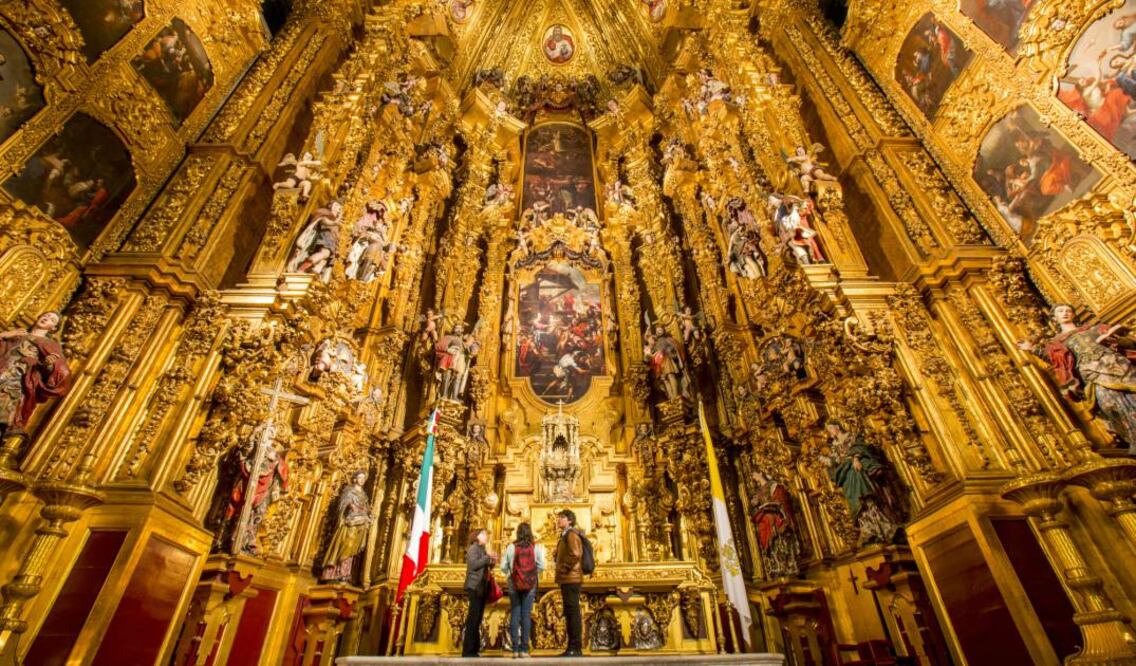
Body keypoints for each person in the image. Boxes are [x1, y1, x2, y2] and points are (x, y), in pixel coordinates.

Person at [500, 522, 546, 658]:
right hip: (530, 584)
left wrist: (511, 574)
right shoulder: (536, 547)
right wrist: (532, 574)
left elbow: (503, 566)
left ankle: (514, 649)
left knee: (515, 613)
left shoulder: (511, 547)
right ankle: (524, 650)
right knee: (526, 615)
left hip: (514, 583)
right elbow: (542, 565)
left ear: (517, 533)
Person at [463, 528, 497, 658]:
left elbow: (484, 566)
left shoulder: (482, 550)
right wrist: (487, 557)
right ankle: (467, 651)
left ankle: (474, 649)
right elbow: (473, 564)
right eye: (483, 534)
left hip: (482, 586)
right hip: (475, 586)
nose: (486, 536)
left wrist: (492, 561)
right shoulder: (473, 548)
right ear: (476, 536)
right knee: (473, 619)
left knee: (477, 619)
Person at [554, 509, 584, 657]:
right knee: (570, 612)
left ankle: (575, 647)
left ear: (570, 520)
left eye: (562, 517)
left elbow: (575, 554)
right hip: (568, 578)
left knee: (572, 612)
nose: (559, 519)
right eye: (558, 517)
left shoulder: (571, 534)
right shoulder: (565, 535)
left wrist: (563, 568)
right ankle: (572, 646)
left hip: (571, 578)